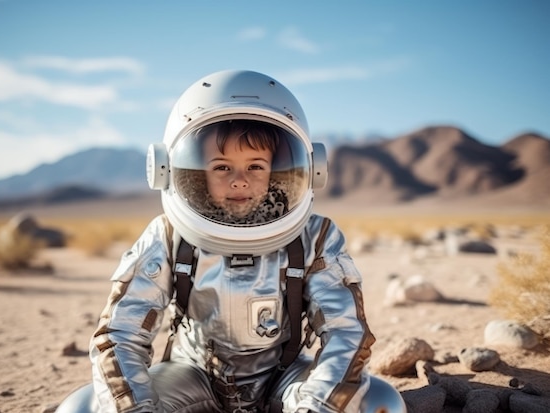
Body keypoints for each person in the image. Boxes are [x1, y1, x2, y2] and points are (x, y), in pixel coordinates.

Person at [56, 70, 406, 413]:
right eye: (222, 167)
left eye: (255, 166)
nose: (239, 181)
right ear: (173, 169)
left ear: (301, 169)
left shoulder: (315, 236)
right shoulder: (168, 236)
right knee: (87, 407)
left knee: (378, 403)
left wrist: (317, 406)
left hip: (283, 377)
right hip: (191, 377)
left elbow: (346, 334)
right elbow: (120, 334)